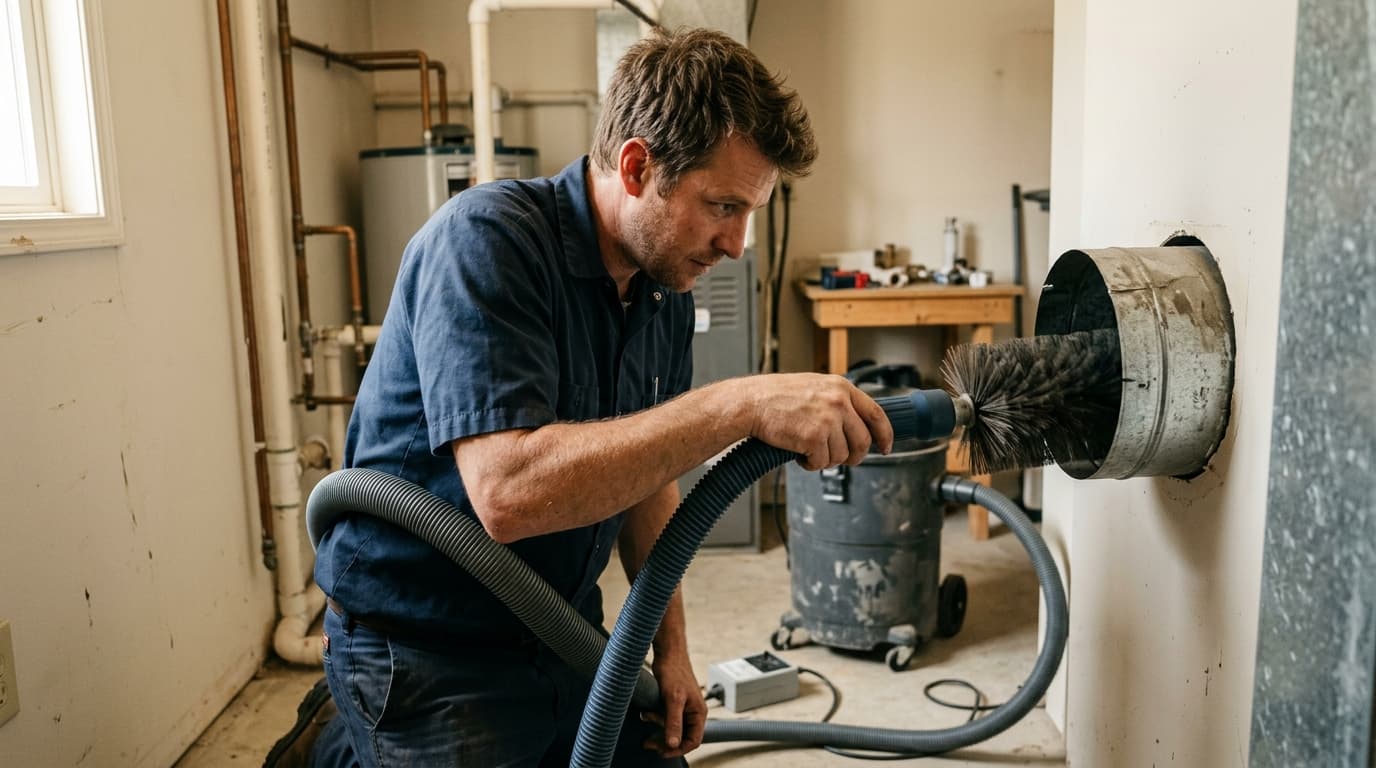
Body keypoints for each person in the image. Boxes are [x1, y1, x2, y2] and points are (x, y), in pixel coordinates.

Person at [299, 26, 894, 767]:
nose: (737, 243)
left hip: (561, 629)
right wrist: (737, 405)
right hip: (427, 648)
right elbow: (509, 494)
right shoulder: (486, 243)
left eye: (750, 213)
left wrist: (669, 651)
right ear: (637, 165)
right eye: (721, 206)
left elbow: (647, 480)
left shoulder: (663, 283)